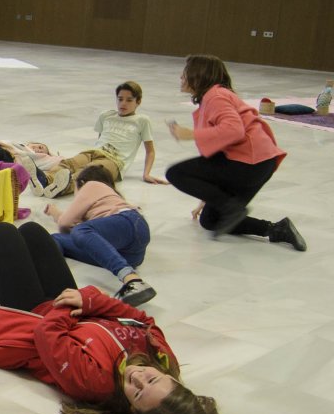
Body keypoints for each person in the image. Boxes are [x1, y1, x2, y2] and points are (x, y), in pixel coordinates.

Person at [0, 222, 230, 414]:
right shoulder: (164, 358)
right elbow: (142, 319)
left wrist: (74, 306)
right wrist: (88, 302)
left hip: (33, 321)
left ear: (131, 409)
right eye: (152, 379)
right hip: (72, 311)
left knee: (3, 234)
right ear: (173, 378)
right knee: (35, 232)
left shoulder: (96, 384)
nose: (138, 377)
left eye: (137, 392)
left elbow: (46, 334)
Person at [165, 54, 305, 250]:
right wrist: (209, 196)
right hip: (258, 165)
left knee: (175, 172)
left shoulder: (215, 96)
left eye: (185, 73)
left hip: (247, 164)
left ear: (199, 75)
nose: (181, 77)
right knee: (212, 221)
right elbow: (217, 154)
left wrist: (190, 134)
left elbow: (234, 130)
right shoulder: (216, 95)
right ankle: (276, 229)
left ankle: (231, 206)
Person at [45, 165, 155, 306]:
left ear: (82, 182)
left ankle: (132, 280)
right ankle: (55, 283)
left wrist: (54, 212)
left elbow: (66, 223)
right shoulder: (108, 197)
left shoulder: (90, 185)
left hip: (127, 221)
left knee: (79, 232)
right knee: (56, 239)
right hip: (131, 249)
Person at [40, 81, 169, 198]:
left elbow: (150, 151)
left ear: (138, 101)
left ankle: (62, 188)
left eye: (129, 100)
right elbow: (101, 138)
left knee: (89, 172)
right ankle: (45, 181)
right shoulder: (106, 115)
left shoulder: (142, 121)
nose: (123, 103)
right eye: (120, 99)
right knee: (70, 163)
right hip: (95, 152)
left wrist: (146, 174)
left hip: (114, 160)